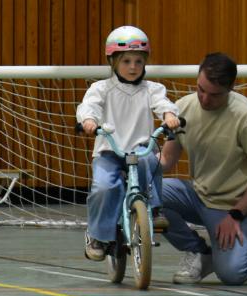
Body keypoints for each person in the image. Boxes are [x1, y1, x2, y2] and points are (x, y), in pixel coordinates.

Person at [158, 53, 247, 286]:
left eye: (214, 95)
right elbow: (167, 158)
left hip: (234, 207)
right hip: (198, 196)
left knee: (232, 274)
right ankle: (199, 251)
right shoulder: (182, 107)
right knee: (148, 192)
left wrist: (236, 214)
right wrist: (139, 165)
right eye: (201, 89)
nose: (204, 99)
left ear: (230, 88)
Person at [76, 26, 180, 261]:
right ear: (112, 62)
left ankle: (154, 210)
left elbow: (164, 104)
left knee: (150, 162)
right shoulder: (101, 89)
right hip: (109, 151)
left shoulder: (152, 89)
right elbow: (89, 106)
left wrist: (169, 116)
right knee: (104, 187)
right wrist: (89, 120)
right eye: (126, 61)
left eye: (138, 61)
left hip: (140, 149)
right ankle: (97, 236)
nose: (133, 67)